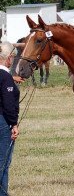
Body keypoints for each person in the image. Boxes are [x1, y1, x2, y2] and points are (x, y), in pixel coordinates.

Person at [0, 41, 20, 195]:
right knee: (3, 162)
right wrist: (14, 124)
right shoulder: (5, 77)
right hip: (3, 122)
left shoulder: (6, 77)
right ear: (8, 58)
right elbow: (8, 105)